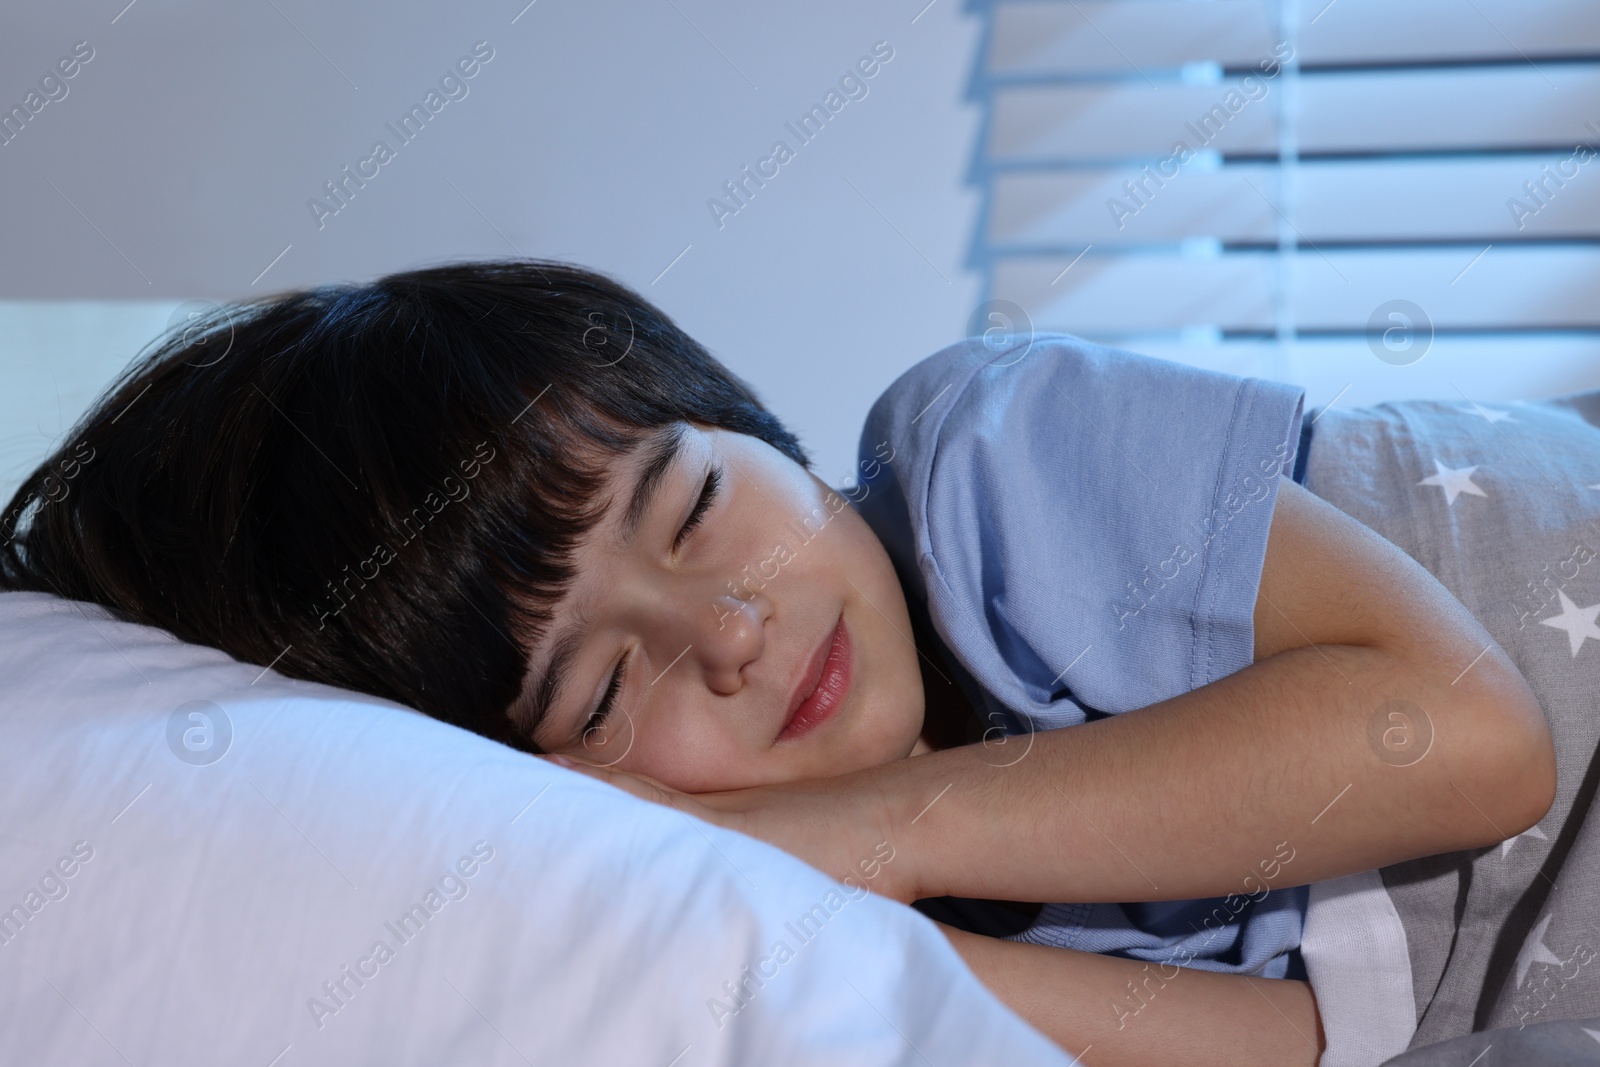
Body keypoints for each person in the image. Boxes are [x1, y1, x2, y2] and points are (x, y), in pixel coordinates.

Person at [0, 259, 1556, 1066]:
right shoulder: (860, 940)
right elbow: (1315, 1048)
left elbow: (1474, 737)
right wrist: (823, 912)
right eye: (605, 694)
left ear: (757, 426)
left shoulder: (988, 469)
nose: (730, 635)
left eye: (691, 503)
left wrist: (867, 833)